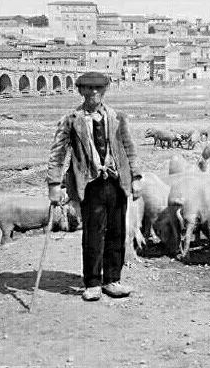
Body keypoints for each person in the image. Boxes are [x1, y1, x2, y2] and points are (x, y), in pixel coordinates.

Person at [47, 71, 143, 302]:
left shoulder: (117, 117)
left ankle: (112, 280)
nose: (93, 93)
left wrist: (137, 177)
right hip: (89, 185)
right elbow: (58, 154)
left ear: (104, 91)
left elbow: (129, 148)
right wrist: (54, 184)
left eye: (98, 89)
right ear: (80, 91)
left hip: (117, 182)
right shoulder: (71, 120)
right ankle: (92, 282)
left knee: (117, 232)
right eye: (88, 89)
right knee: (93, 234)